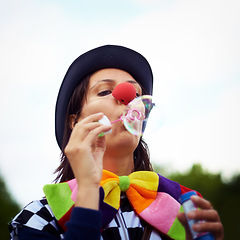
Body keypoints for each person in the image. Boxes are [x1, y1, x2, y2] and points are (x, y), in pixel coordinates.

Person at [9, 45, 224, 240]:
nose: (127, 96)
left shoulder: (183, 209)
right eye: (104, 91)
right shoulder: (38, 218)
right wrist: (88, 189)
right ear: (75, 122)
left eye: (137, 94)